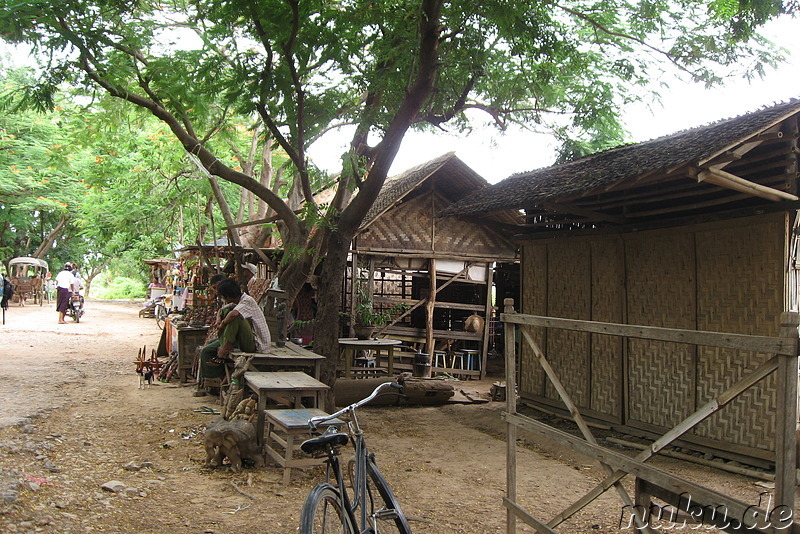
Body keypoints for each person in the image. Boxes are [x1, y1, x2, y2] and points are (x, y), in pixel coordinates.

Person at [198, 278, 271, 380]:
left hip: (257, 345)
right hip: (246, 340)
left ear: (228, 296)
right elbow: (222, 309)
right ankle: (213, 377)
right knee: (207, 349)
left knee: (235, 317)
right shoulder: (239, 301)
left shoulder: (248, 301)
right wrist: (219, 317)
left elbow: (234, 314)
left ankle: (225, 347)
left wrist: (222, 324)